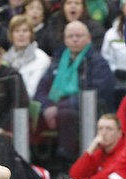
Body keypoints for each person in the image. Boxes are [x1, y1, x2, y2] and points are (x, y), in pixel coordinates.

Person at [34, 20, 115, 167]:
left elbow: (98, 94)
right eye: (70, 36)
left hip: (88, 112)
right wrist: (47, 107)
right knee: (33, 115)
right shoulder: (58, 61)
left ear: (88, 38)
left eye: (79, 35)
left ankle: (67, 161)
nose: (75, 39)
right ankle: (38, 162)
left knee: (65, 113)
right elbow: (41, 89)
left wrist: (57, 108)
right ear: (65, 40)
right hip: (55, 109)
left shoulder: (96, 62)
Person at [69, 114, 125, 179]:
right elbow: (75, 176)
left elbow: (108, 176)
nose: (104, 133)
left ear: (119, 134)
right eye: (100, 129)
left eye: (109, 129)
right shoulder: (99, 151)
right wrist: (90, 150)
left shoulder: (123, 150)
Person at [3, 14, 51, 98]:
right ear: (11, 35)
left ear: (31, 34)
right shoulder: (4, 59)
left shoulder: (41, 58)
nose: (21, 34)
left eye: (25, 31)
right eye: (17, 31)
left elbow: (31, 91)